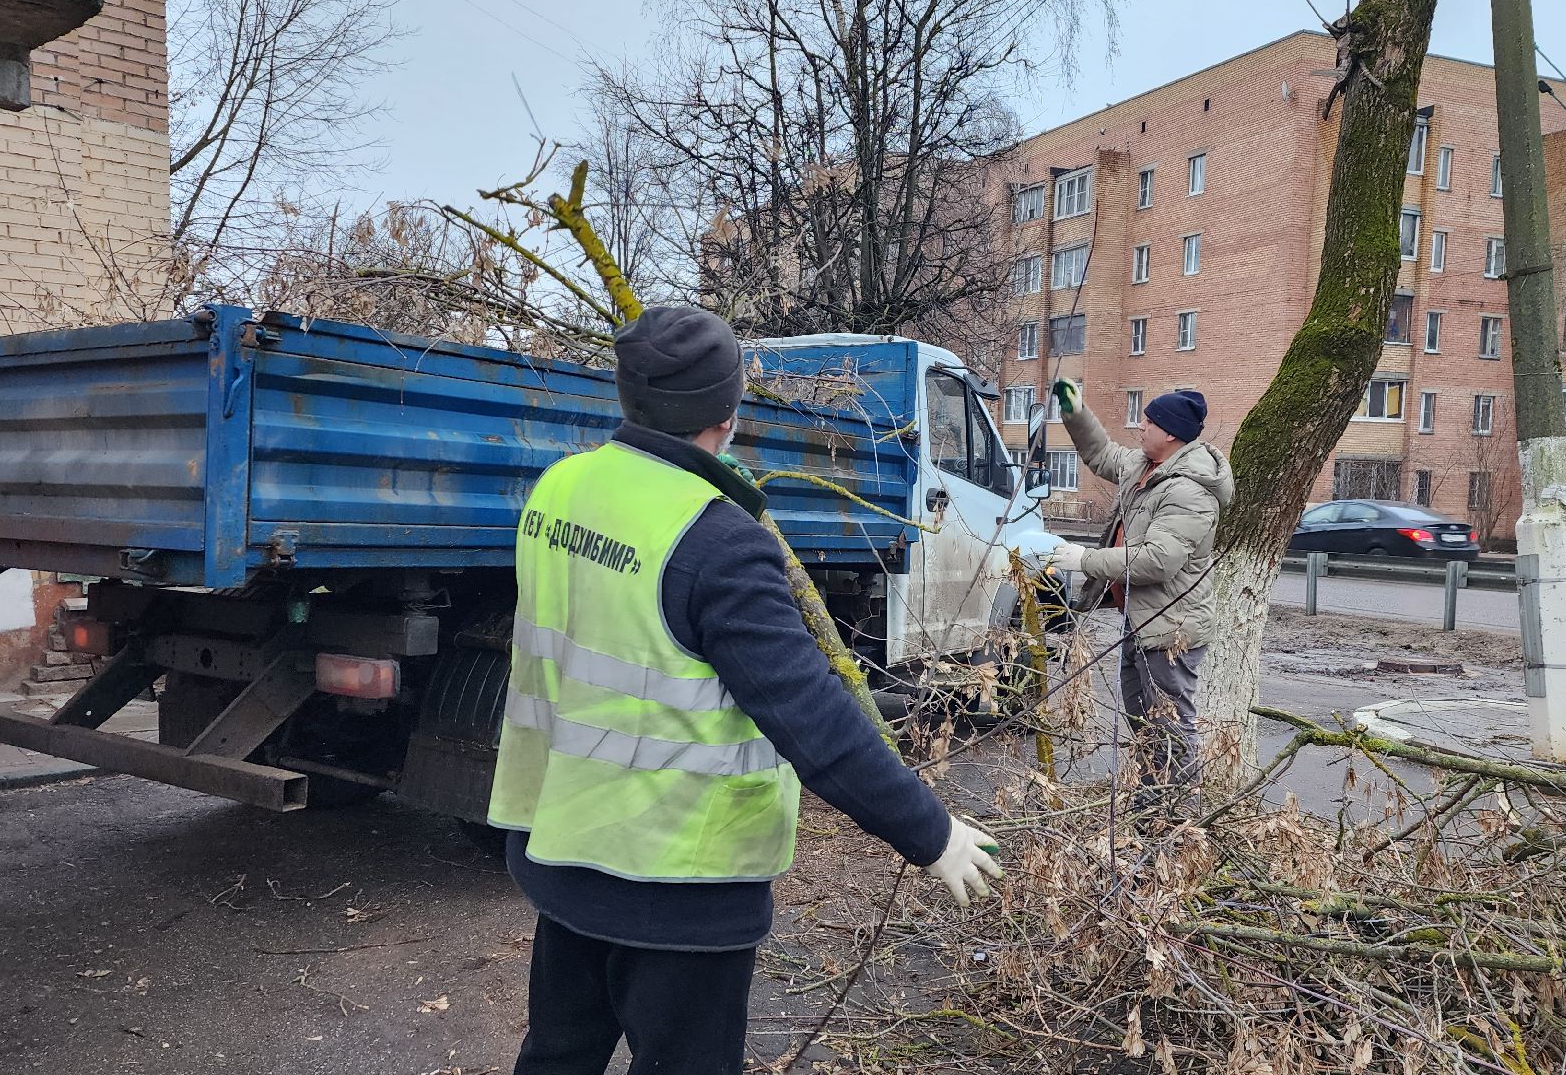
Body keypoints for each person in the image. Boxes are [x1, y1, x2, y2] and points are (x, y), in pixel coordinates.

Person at [487, 305, 1004, 1075]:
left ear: (628, 396)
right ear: (728, 415)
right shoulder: (718, 541)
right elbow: (814, 719)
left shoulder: (561, 489)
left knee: (559, 1054)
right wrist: (931, 832)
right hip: (681, 883)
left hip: (562, 850)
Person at [1045, 379, 1234, 797]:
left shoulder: (1189, 491)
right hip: (1141, 621)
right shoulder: (1145, 467)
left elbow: (1156, 560)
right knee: (1145, 724)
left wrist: (1082, 560)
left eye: (1147, 421)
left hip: (1170, 630)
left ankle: (1177, 823)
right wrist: (1076, 413)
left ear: (1170, 434)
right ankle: (1151, 807)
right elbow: (1100, 453)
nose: (1140, 427)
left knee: (1168, 728)